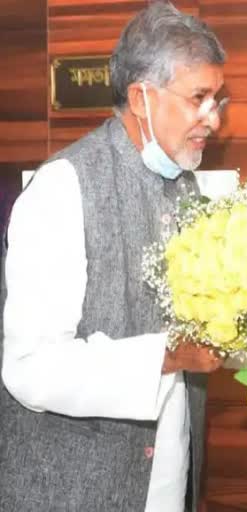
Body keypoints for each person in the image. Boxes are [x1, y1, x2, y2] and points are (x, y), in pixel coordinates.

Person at [0, 3, 228, 510]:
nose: (213, 118)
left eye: (218, 98)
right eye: (199, 98)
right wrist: (167, 355)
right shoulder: (63, 188)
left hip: (168, 480)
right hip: (74, 491)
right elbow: (29, 368)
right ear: (141, 98)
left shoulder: (185, 188)